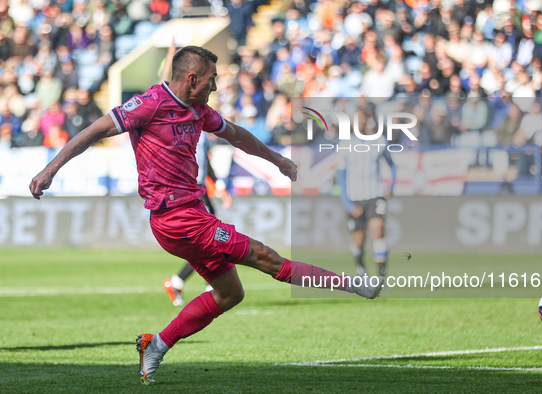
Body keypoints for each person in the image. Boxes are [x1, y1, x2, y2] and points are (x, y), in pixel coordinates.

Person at [29, 46, 384, 386]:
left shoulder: (199, 110)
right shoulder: (150, 105)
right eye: (213, 79)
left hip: (193, 214)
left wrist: (277, 160)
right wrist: (50, 170)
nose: (216, 86)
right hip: (176, 219)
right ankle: (350, 282)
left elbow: (238, 135)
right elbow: (93, 132)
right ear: (193, 78)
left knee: (230, 294)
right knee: (265, 257)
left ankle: (156, 345)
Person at [163, 132, 233, 307]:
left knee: (211, 240)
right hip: (188, 189)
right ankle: (207, 286)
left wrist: (217, 183)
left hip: (200, 189)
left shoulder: (199, 131)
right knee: (211, 238)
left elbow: (203, 162)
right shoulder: (182, 127)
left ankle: (183, 283)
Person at [336, 108, 396, 280]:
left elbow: (392, 164)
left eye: (363, 117)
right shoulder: (344, 145)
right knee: (359, 241)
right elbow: (340, 175)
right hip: (354, 197)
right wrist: (347, 203)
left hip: (375, 194)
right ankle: (361, 268)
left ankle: (382, 277)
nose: (360, 121)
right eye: (357, 118)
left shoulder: (379, 141)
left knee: (378, 231)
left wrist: (390, 185)